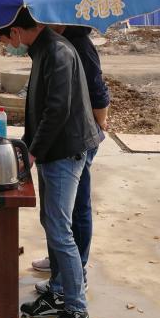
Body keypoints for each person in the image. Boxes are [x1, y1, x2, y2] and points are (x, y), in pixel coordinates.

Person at [0, 9, 100, 318]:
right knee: (49, 222)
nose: (8, 47)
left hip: (65, 150)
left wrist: (32, 152)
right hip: (53, 150)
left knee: (60, 229)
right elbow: (39, 110)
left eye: (5, 40)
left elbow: (57, 110)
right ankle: (58, 293)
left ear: (16, 32)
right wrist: (25, 146)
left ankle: (77, 312)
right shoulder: (42, 51)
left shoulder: (57, 51)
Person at [33, 25, 110, 296]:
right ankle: (61, 265)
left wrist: (98, 125)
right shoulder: (55, 44)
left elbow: (98, 91)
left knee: (76, 209)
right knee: (59, 214)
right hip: (66, 137)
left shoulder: (78, 45)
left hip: (79, 138)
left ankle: (77, 272)